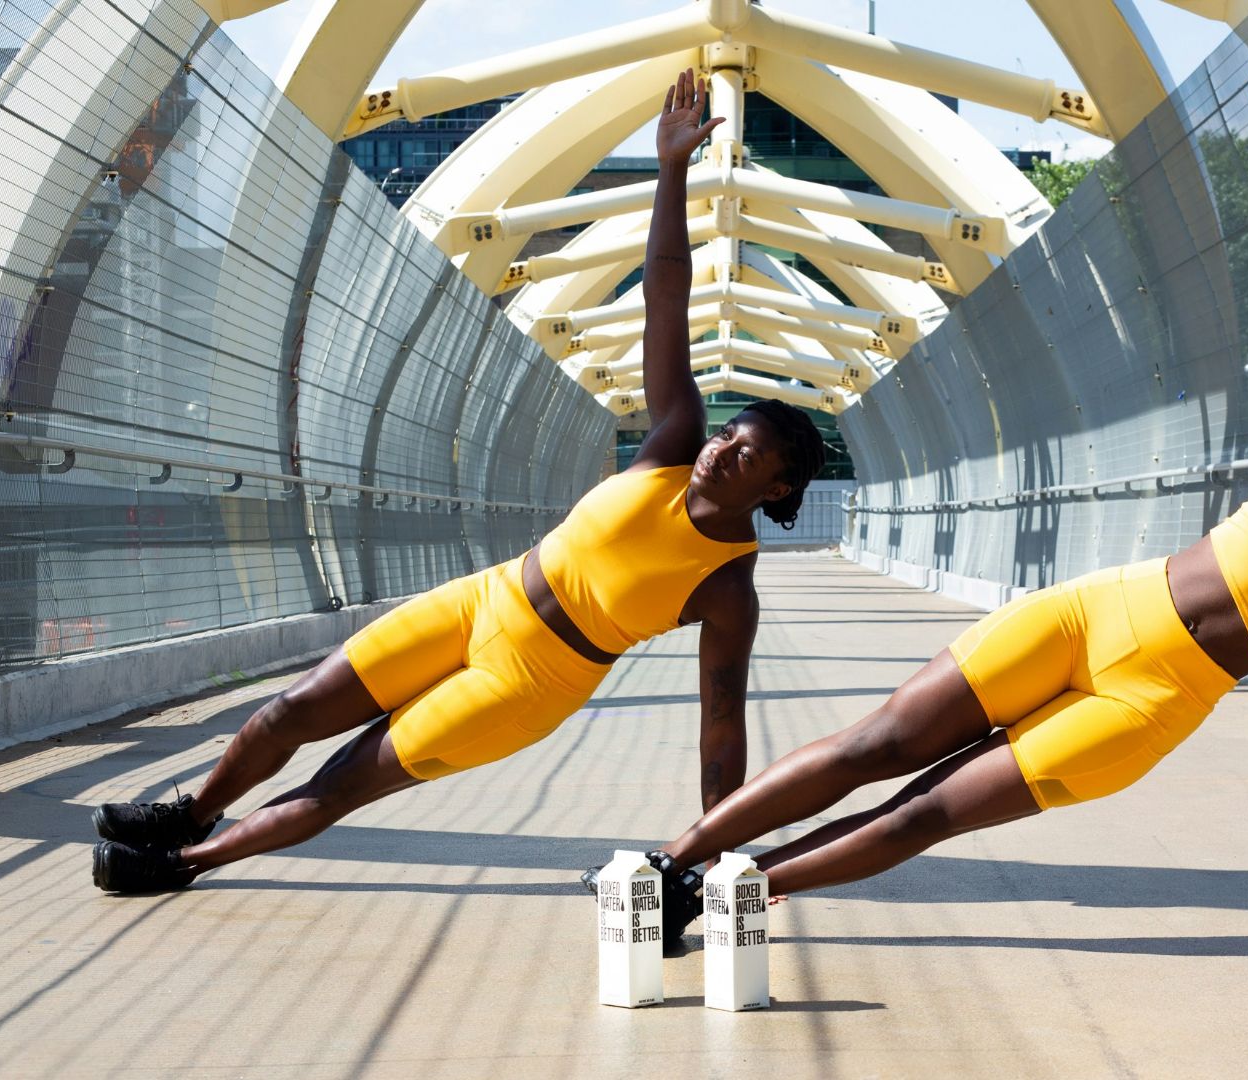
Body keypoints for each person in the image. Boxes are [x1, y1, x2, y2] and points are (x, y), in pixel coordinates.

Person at [610, 56, 1248, 964]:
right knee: (878, 746)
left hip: (1151, 704)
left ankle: (717, 896)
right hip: (1092, 614)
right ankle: (669, 860)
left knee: (925, 814)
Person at [91, 70, 826, 899]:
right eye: (729, 432)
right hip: (484, 599)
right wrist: (670, 171)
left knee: (341, 780)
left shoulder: (729, 586)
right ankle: (191, 814)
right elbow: (664, 295)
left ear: (777, 487)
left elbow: (720, 728)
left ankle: (181, 865)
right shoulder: (670, 442)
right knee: (289, 711)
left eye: (746, 453)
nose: (722, 448)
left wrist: (708, 853)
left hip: (525, 683)